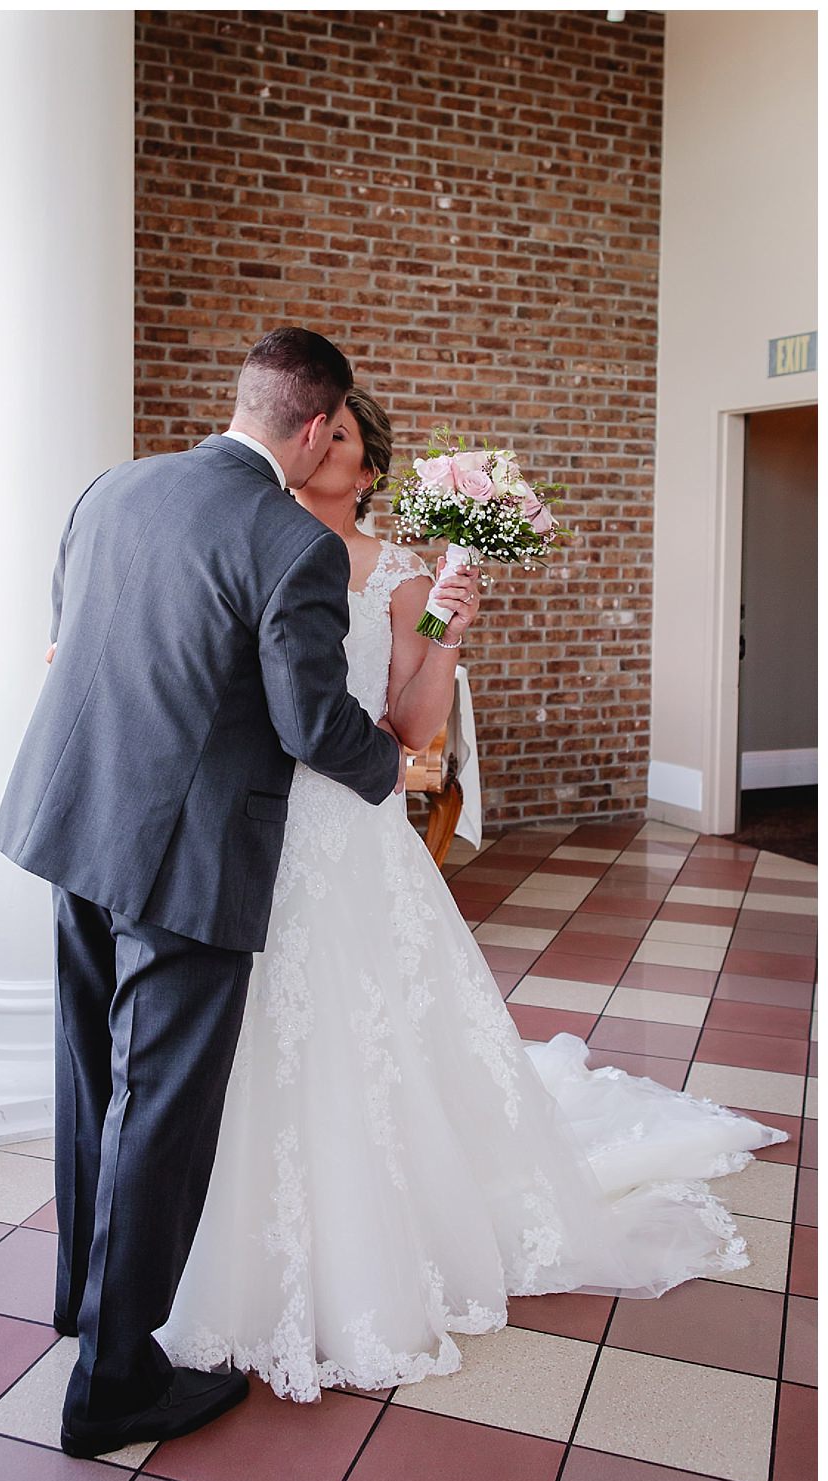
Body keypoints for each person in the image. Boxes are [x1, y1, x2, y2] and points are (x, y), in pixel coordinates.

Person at [156, 386, 783, 1401]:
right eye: (319, 427)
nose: (317, 442)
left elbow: (408, 727)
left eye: (343, 435)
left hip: (346, 828)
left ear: (364, 468)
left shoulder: (397, 572)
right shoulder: (246, 537)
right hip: (246, 828)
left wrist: (448, 628)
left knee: (360, 1027)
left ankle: (374, 1234)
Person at [0, 328, 406, 1458]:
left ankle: (83, 1299)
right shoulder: (290, 542)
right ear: (317, 427)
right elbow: (310, 722)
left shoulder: (109, 490)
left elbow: (67, 640)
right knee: (159, 1110)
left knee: (88, 1076)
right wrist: (396, 772)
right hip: (182, 854)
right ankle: (113, 1384)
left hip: (71, 819)